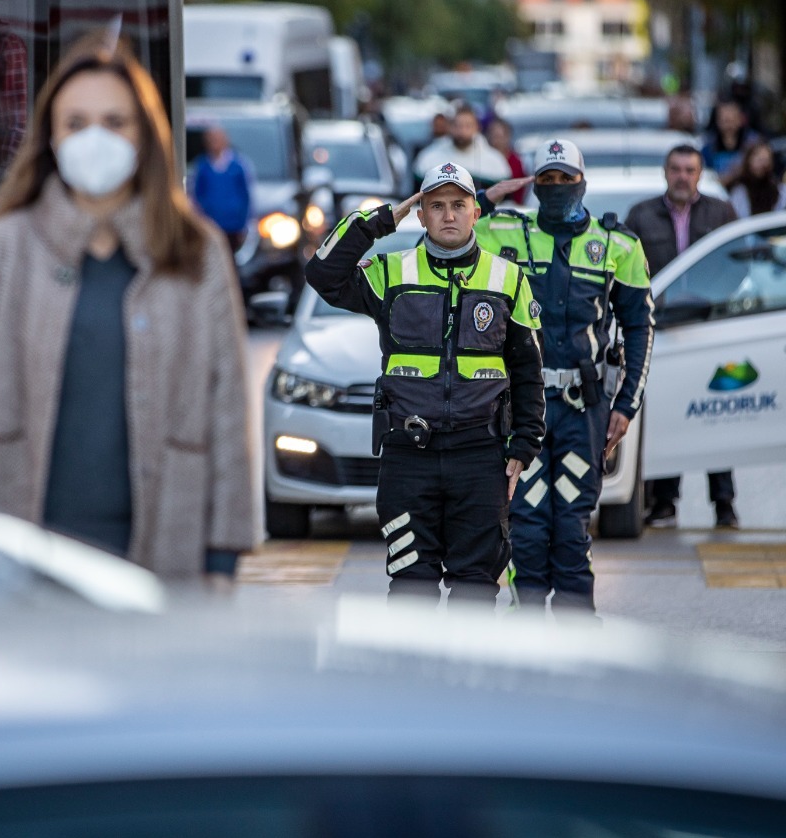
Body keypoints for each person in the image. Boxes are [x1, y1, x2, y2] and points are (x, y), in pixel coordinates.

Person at [0, 32, 258, 581]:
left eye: (115, 122)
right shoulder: (7, 249)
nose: (95, 139)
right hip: (21, 555)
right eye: (76, 123)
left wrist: (224, 552)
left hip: (163, 553)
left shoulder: (195, 252)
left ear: (144, 135)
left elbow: (227, 408)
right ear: (50, 137)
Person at [307, 161, 544, 606]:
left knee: (474, 586)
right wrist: (383, 220)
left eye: (458, 205)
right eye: (436, 206)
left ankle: (464, 678)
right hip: (407, 458)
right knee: (411, 588)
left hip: (480, 457)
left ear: (476, 212)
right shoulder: (390, 272)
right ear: (420, 214)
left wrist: (524, 445)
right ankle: (413, 678)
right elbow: (322, 273)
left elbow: (529, 369)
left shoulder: (508, 278)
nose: (448, 215)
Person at [476, 139, 654, 614]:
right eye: (547, 180)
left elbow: (639, 328)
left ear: (583, 183)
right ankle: (529, 629)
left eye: (565, 179)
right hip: (522, 412)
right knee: (528, 524)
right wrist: (486, 197)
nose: (556, 188)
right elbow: (441, 229)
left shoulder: (619, 245)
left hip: (584, 409)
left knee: (573, 524)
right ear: (534, 186)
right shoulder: (502, 233)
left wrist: (626, 405)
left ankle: (578, 630)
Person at [624, 145, 740, 528]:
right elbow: (628, 272)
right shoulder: (641, 216)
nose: (682, 176)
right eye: (675, 168)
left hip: (711, 329)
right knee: (666, 415)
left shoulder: (721, 213)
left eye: (690, 169)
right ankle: (664, 503)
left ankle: (724, 502)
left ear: (700, 174)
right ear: (665, 171)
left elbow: (739, 265)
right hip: (663, 331)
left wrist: (715, 304)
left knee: (715, 415)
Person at [189, 125, 253, 253]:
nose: (214, 143)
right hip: (210, 226)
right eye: (211, 139)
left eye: (217, 139)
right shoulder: (201, 167)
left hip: (233, 226)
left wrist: (245, 224)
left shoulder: (239, 166)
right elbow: (196, 195)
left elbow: (246, 196)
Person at [412, 104, 510, 187]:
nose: (462, 132)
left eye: (468, 126)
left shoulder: (495, 161)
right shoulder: (428, 158)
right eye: (457, 125)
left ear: (477, 127)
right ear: (449, 127)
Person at [725, 139, 786, 217]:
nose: (763, 165)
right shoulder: (739, 191)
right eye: (759, 160)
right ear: (749, 161)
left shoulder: (780, 190)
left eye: (766, 160)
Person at [702, 101, 760, 180]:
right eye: (725, 120)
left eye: (732, 120)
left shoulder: (754, 143)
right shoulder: (708, 145)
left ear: (740, 120)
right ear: (717, 121)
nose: (729, 125)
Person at [484, 115, 529, 204]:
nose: (495, 141)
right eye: (493, 136)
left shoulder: (516, 162)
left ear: (507, 137)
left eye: (499, 136)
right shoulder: (483, 159)